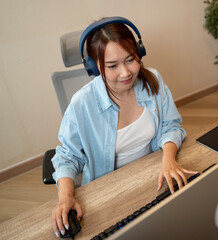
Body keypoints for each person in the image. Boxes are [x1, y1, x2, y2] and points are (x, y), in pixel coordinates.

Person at [51, 17, 197, 237]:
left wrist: (168, 159)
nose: (126, 73)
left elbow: (171, 125)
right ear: (94, 66)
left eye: (130, 60)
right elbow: (67, 155)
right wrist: (66, 197)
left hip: (153, 178)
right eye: (112, 66)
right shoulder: (82, 103)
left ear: (140, 52)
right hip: (109, 194)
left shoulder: (153, 80)